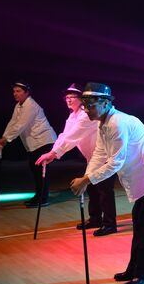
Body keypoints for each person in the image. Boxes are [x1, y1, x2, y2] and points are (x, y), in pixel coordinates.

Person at [69, 83, 144, 284]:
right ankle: (134, 269)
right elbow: (99, 154)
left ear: (105, 103)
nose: (86, 109)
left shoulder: (117, 123)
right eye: (85, 105)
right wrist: (86, 177)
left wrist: (87, 180)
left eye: (90, 105)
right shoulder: (104, 123)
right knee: (139, 218)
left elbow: (115, 162)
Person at [35, 83, 118, 236]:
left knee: (104, 190)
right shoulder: (72, 116)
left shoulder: (85, 116)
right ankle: (95, 219)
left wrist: (53, 154)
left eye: (72, 97)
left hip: (104, 157)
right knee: (93, 188)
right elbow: (65, 135)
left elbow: (72, 137)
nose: (68, 100)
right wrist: (53, 152)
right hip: (92, 158)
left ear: (81, 99)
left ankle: (109, 224)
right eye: (66, 97)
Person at [0, 81, 56, 208]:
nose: (15, 94)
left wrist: (6, 139)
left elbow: (20, 125)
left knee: (40, 170)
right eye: (14, 91)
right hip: (35, 142)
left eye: (18, 91)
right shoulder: (19, 105)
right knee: (35, 169)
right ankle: (39, 196)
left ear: (27, 92)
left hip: (43, 141)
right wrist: (4, 137)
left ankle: (43, 198)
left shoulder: (30, 105)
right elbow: (13, 122)